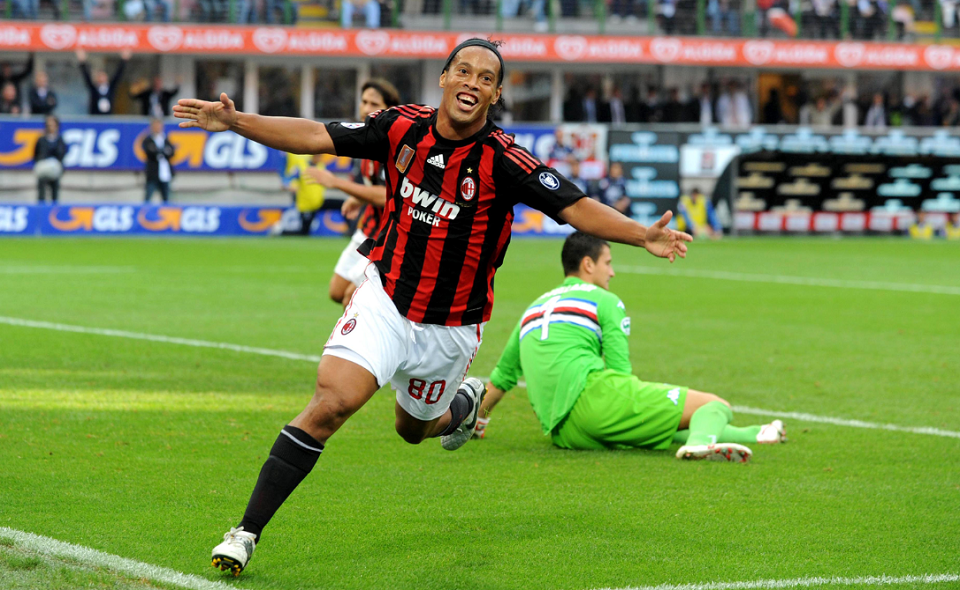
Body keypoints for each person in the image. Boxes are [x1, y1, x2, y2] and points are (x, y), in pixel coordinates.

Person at [174, 38, 692, 576]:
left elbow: (576, 206)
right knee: (332, 402)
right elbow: (315, 135)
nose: (472, 82)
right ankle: (246, 533)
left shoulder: (505, 160)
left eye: (485, 78)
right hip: (386, 298)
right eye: (462, 71)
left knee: (412, 429)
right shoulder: (400, 127)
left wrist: (640, 235)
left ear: (494, 95)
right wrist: (237, 122)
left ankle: (462, 407)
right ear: (444, 78)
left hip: (451, 327)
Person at [474, 232, 784, 461]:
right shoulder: (605, 300)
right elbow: (621, 372)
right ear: (587, 264)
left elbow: (502, 379)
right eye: (607, 263)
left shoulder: (533, 308)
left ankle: (757, 433)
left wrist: (479, 420)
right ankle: (702, 443)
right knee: (713, 406)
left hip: (565, 434)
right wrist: (633, 401)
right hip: (597, 402)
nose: (612, 271)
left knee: (665, 428)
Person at [311, 78, 401, 306]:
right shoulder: (362, 141)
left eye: (374, 103)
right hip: (369, 226)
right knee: (336, 291)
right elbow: (374, 189)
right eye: (364, 102)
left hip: (389, 235)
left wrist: (337, 183)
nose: (367, 108)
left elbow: (386, 196)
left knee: (351, 297)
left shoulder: (395, 145)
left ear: (389, 110)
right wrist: (358, 198)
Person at [77, 48, 131, 116]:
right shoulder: (94, 89)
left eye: (104, 76)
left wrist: (124, 60)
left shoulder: (111, 88)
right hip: (95, 117)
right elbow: (86, 77)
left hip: (108, 118)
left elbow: (118, 75)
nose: (102, 78)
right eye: (100, 76)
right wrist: (82, 62)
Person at [33, 115, 67, 204]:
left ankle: (54, 207)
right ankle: (41, 207)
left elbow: (62, 154)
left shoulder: (60, 140)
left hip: (55, 170)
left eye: (52, 125)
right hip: (43, 169)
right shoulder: (41, 140)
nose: (50, 127)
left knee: (55, 189)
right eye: (48, 125)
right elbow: (36, 154)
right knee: (41, 189)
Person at [142, 118, 176, 203]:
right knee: (148, 198)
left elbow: (172, 152)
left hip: (165, 175)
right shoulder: (148, 140)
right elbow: (151, 152)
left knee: (166, 199)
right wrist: (163, 151)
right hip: (153, 175)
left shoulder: (165, 139)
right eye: (155, 126)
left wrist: (159, 151)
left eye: (159, 126)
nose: (157, 128)